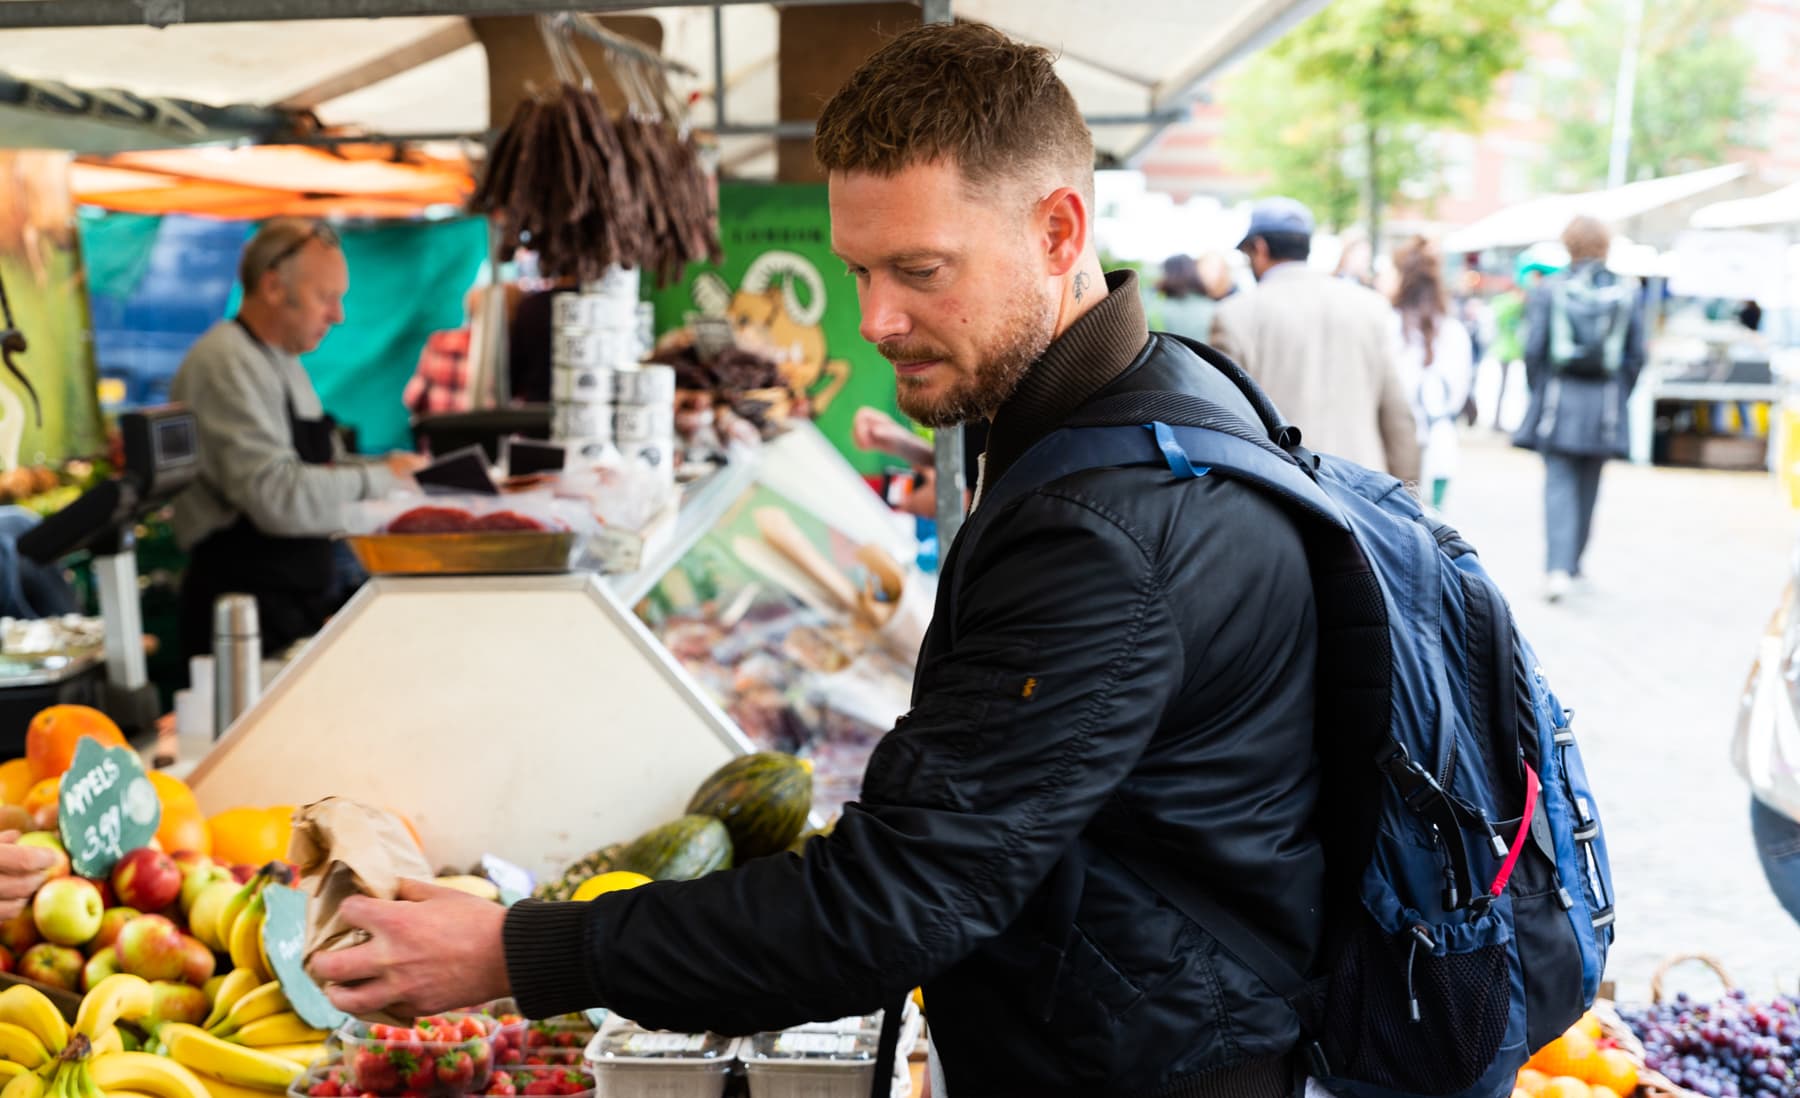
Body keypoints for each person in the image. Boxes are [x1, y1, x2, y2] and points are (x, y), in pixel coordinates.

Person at [312, 22, 1324, 1098]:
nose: (875, 318)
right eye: (858, 270)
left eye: (920, 270)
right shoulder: (1164, 392)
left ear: (1059, 230)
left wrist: (514, 953)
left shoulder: (1104, 526)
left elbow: (895, 903)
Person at [171, 219, 426, 660]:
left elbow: (322, 465)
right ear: (272, 287)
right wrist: (383, 479)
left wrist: (391, 470)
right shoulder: (226, 362)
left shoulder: (281, 359)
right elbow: (278, 497)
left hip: (288, 606)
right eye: (326, 298)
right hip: (243, 618)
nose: (338, 315)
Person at [1210, 198, 1421, 482]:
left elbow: (1223, 422)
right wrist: (1408, 499)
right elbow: (1397, 417)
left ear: (1259, 248)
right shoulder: (1370, 307)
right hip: (1364, 492)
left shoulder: (1234, 315)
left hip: (1282, 495)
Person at [1513, 215, 1645, 603]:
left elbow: (1534, 350)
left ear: (1567, 244)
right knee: (1590, 486)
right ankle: (1573, 564)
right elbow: (1636, 355)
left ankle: (1557, 569)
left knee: (1558, 486)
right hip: (1604, 404)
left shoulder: (1550, 290)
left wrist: (1539, 390)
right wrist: (1620, 394)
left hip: (1558, 399)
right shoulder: (1626, 292)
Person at [1389, 236, 1473, 510]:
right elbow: (1459, 394)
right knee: (1432, 527)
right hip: (1440, 442)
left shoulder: (1386, 326)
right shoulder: (1453, 332)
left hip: (1394, 447)